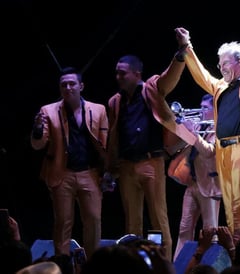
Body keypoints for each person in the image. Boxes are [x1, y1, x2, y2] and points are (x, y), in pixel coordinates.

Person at [175, 27, 240, 244]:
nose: (220, 67)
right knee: (232, 216)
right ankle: (238, 255)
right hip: (224, 152)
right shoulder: (220, 86)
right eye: (219, 64)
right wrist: (186, 46)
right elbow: (202, 75)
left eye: (225, 63)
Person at [106, 49, 198, 260]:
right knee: (132, 224)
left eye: (123, 73)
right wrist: (110, 170)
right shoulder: (115, 102)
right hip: (127, 166)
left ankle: (163, 264)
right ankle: (134, 265)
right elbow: (113, 137)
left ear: (137, 74)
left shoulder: (151, 89)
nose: (118, 77)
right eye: (117, 73)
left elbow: (169, 78)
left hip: (151, 162)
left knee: (159, 220)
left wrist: (179, 56)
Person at [31, 66, 109, 258]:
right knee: (63, 222)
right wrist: (38, 129)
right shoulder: (48, 111)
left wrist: (108, 171)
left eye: (72, 83)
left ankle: (93, 263)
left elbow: (106, 144)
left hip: (89, 173)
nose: (68, 87)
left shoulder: (98, 109)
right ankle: (62, 264)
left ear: (81, 86)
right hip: (62, 172)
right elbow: (38, 145)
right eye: (63, 85)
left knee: (93, 220)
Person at [168, 94, 222, 262]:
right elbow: (176, 147)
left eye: (205, 108)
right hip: (193, 184)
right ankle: (178, 265)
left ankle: (210, 266)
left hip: (210, 186)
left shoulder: (219, 129)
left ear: (215, 110)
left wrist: (193, 133)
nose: (200, 111)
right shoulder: (202, 127)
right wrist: (183, 127)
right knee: (184, 229)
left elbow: (208, 152)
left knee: (210, 231)